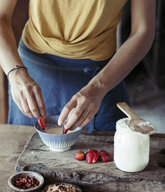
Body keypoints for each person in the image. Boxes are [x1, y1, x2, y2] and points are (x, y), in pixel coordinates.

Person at [0, 0, 156, 133]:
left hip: (103, 79)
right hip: (31, 78)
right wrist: (15, 74)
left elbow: (142, 31)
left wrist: (98, 87)